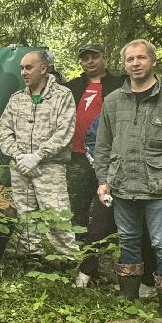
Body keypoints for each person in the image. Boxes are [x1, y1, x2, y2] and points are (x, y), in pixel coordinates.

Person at [93, 39, 162, 317]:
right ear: (124, 65)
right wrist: (103, 179)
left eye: (141, 58)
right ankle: (129, 302)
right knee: (128, 242)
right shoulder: (114, 101)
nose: (136, 63)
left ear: (153, 61)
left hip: (161, 187)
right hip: (123, 186)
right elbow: (103, 145)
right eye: (130, 59)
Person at [0, 49, 76, 259]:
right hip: (21, 167)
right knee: (26, 215)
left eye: (28, 67)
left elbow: (64, 133)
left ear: (43, 68)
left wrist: (38, 156)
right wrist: (19, 156)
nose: (24, 72)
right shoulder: (16, 99)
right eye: (21, 68)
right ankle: (31, 257)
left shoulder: (62, 96)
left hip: (49, 167)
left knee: (56, 215)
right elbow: (5, 133)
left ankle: (66, 260)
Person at [75, 113, 155, 295]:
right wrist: (105, 175)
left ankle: (145, 283)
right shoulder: (114, 105)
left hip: (147, 186)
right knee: (98, 228)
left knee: (146, 233)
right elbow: (93, 140)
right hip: (112, 184)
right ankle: (84, 274)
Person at [63, 43, 109, 239]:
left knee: (107, 209)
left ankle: (103, 249)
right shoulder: (73, 86)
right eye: (85, 58)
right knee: (76, 209)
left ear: (104, 58)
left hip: (106, 158)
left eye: (94, 56)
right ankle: (81, 255)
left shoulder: (119, 84)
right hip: (77, 157)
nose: (89, 61)